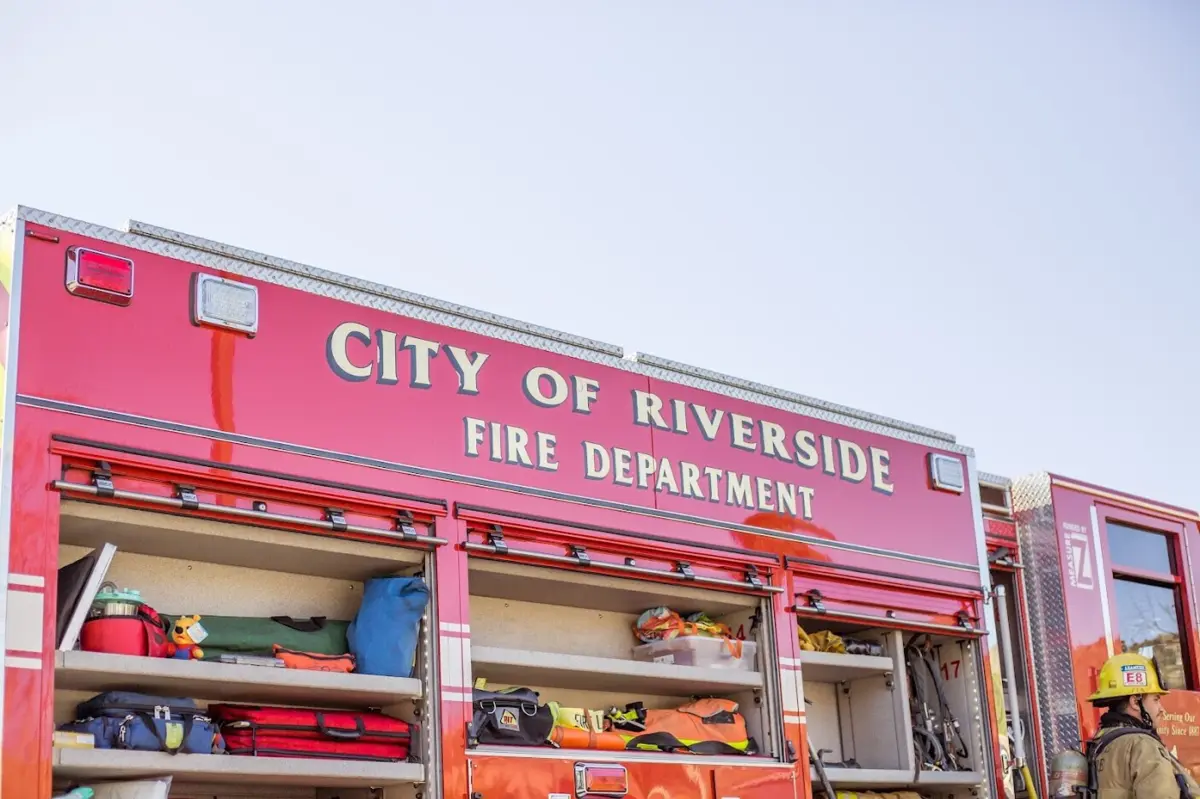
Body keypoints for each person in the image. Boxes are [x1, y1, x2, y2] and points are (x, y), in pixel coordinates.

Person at [1086, 651, 1200, 799]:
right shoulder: (1142, 744)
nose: (1162, 709)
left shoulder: (1100, 742)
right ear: (1135, 702)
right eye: (1156, 699)